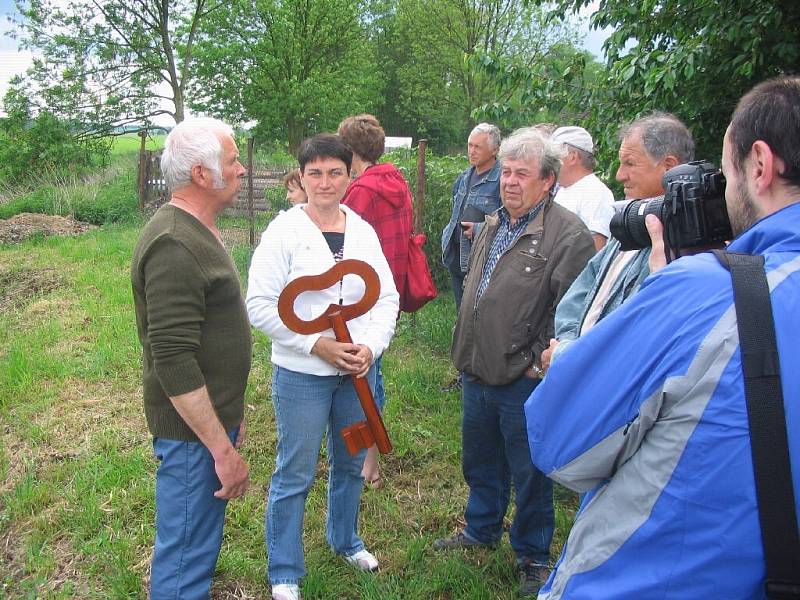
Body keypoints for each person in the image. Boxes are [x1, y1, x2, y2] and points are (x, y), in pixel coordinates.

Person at [525, 76, 800, 599]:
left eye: (726, 173)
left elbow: (557, 443)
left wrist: (665, 296)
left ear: (760, 165)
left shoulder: (703, 292)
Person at [432, 128, 595, 598]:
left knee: (529, 470)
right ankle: (479, 530)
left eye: (522, 174)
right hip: (477, 367)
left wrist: (538, 362)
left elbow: (576, 311)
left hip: (524, 377)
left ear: (548, 181)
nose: (509, 181)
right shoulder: (492, 223)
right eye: (506, 172)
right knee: (479, 458)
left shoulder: (568, 235)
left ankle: (532, 554)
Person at [246, 134, 399, 600]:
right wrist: (316, 345)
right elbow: (259, 305)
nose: (325, 182)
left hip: (356, 375)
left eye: (335, 172)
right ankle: (285, 571)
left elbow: (385, 296)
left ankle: (345, 540)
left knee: (351, 461)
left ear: (350, 176)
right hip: (302, 377)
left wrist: (370, 347)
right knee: (295, 471)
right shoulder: (284, 233)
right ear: (302, 177)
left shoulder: (362, 231)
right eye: (315, 173)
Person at [130, 117, 251, 598]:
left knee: (195, 545)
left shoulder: (197, 228)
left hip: (207, 427)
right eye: (232, 159)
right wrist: (222, 450)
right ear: (202, 175)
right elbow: (173, 359)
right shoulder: (175, 243)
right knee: (184, 559)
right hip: (192, 438)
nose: (241, 169)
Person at [541, 112, 694, 371]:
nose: (619, 175)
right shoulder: (631, 225)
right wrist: (567, 343)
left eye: (630, 163)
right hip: (580, 370)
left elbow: (633, 339)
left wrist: (567, 355)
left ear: (669, 166)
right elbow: (580, 291)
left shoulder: (682, 245)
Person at [337, 114, 413, 490]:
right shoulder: (396, 181)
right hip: (389, 288)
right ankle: (370, 456)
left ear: (350, 152)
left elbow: (342, 246)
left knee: (365, 380)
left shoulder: (361, 192)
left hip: (365, 296)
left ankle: (369, 461)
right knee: (373, 372)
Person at [441, 122, 503, 311]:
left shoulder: (502, 179)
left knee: (478, 311)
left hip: (483, 257)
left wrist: (479, 229)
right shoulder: (464, 177)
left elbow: (508, 220)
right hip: (457, 254)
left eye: (478, 147)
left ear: (494, 150)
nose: (472, 151)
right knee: (461, 310)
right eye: (470, 145)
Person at [551, 126, 614, 251]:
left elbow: (595, 250)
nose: (549, 164)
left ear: (572, 157)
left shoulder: (596, 193)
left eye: (554, 158)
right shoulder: (563, 190)